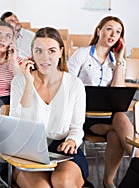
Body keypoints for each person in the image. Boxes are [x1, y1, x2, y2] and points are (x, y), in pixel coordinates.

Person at [10, 27, 89, 187]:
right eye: (38, 51)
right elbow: (17, 124)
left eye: (51, 51)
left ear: (60, 52)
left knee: (63, 181)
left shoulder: (75, 84)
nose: (45, 57)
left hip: (63, 149)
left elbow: (77, 127)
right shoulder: (19, 81)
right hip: (29, 150)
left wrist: (72, 141)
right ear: (31, 53)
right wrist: (28, 84)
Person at [68, 16, 137, 188]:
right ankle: (136, 161)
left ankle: (108, 181)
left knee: (118, 125)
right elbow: (67, 85)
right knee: (118, 129)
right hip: (84, 116)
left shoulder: (117, 62)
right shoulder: (82, 54)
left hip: (110, 116)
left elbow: (118, 91)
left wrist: (120, 59)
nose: (113, 34)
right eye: (109, 29)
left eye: (118, 32)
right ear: (99, 31)